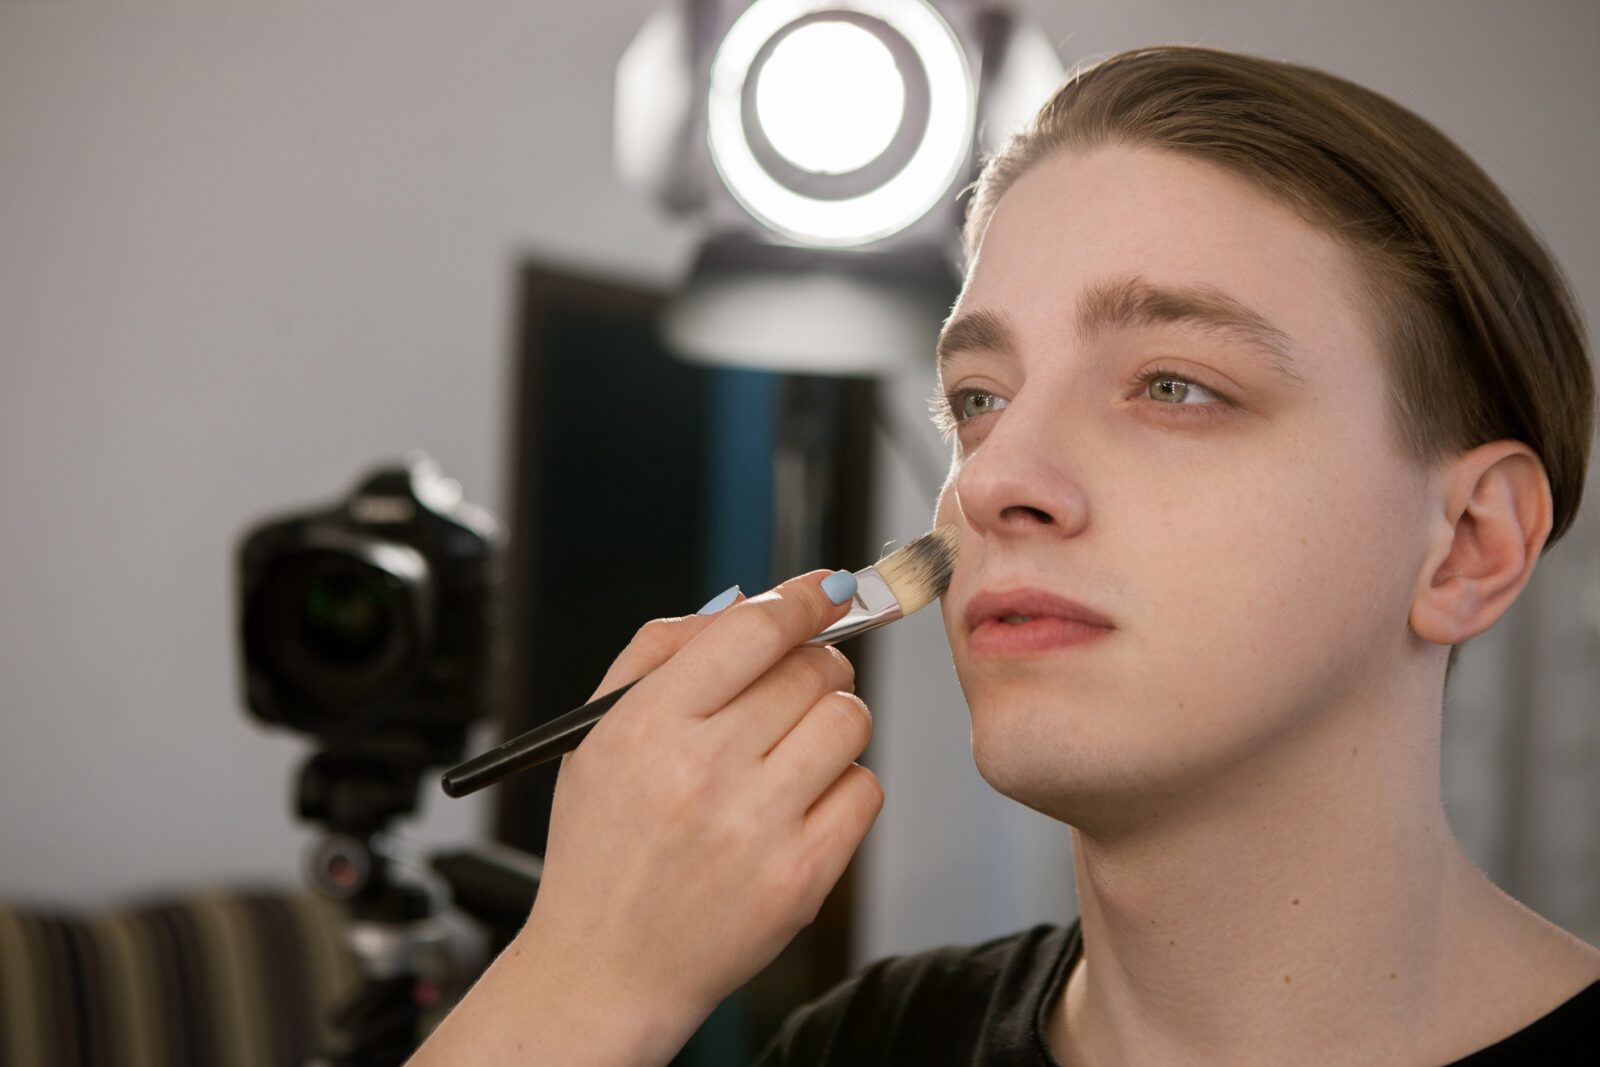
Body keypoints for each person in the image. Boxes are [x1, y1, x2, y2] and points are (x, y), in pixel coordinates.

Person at [410, 45, 1598, 1066]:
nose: (988, 481)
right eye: (977, 396)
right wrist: (585, 978)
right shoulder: (862, 1044)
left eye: (1174, 384)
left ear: (1467, 545)